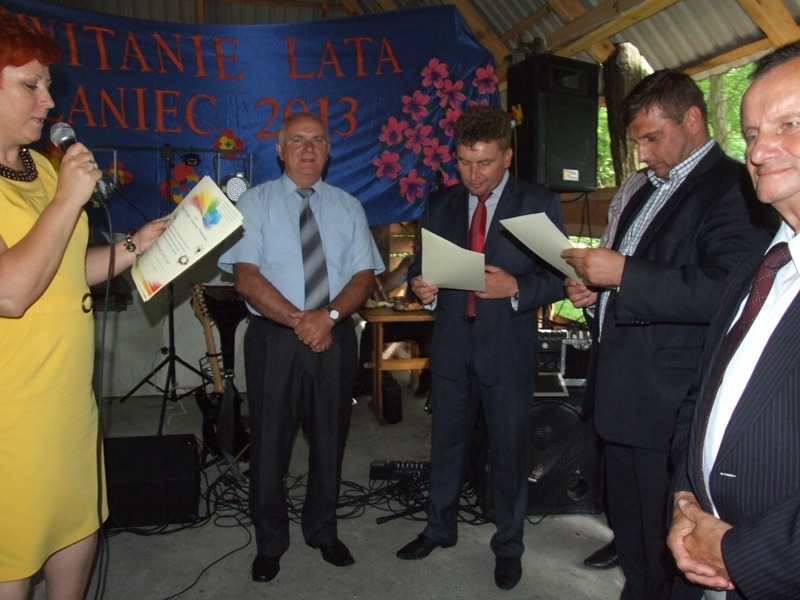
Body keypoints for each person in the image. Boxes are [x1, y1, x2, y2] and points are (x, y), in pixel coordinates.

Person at [561, 70, 776, 600]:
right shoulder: (647, 189)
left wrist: (624, 274)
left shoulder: (734, 186)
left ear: (693, 120)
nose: (643, 154)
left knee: (670, 549)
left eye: (653, 138)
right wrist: (597, 290)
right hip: (622, 390)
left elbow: (727, 291)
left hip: (668, 401)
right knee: (632, 536)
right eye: (637, 142)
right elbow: (635, 276)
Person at [0, 10, 169, 599]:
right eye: (31, 84)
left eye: (48, 85)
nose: (49, 101)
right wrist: (68, 200)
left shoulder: (44, 174)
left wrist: (135, 245)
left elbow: (66, 268)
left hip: (68, 406)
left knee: (76, 540)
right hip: (12, 418)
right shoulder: (60, 188)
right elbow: (11, 292)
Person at [395, 105, 567, 591]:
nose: (474, 175)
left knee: (509, 454)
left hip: (506, 350)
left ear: (507, 156)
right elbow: (421, 265)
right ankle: (439, 528)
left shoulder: (538, 204)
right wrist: (421, 287)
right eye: (465, 163)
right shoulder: (442, 203)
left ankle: (508, 546)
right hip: (453, 344)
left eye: (485, 163)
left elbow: (561, 276)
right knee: (445, 444)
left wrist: (517, 287)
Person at [218, 112, 384, 583]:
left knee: (330, 439)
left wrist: (327, 318)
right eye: (297, 140)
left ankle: (322, 531)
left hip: (334, 334)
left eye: (317, 140)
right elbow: (246, 278)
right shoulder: (254, 203)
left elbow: (363, 276)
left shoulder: (349, 207)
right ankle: (270, 543)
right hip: (275, 338)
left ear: (329, 150)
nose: (308, 149)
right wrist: (303, 321)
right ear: (280, 150)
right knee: (269, 444)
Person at [667, 41, 800, 600]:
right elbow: (702, 396)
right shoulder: (760, 266)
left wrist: (739, 553)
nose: (760, 150)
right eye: (750, 134)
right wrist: (684, 502)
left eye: (790, 124)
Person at [354, 250, 433, 400]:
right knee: (371, 330)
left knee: (434, 335)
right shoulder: (415, 260)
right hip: (407, 320)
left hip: (429, 321)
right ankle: (365, 381)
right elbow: (385, 287)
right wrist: (405, 266)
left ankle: (428, 381)